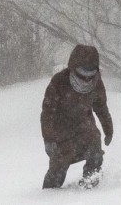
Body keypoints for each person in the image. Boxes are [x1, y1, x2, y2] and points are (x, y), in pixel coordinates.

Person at [40, 44, 113, 189]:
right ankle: (48, 196)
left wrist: (108, 129)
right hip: (61, 131)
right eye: (82, 72)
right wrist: (48, 139)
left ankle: (91, 184)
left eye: (90, 73)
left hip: (86, 127)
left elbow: (101, 107)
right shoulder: (59, 81)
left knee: (95, 154)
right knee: (58, 167)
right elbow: (48, 112)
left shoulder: (96, 82)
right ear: (73, 68)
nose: (86, 77)